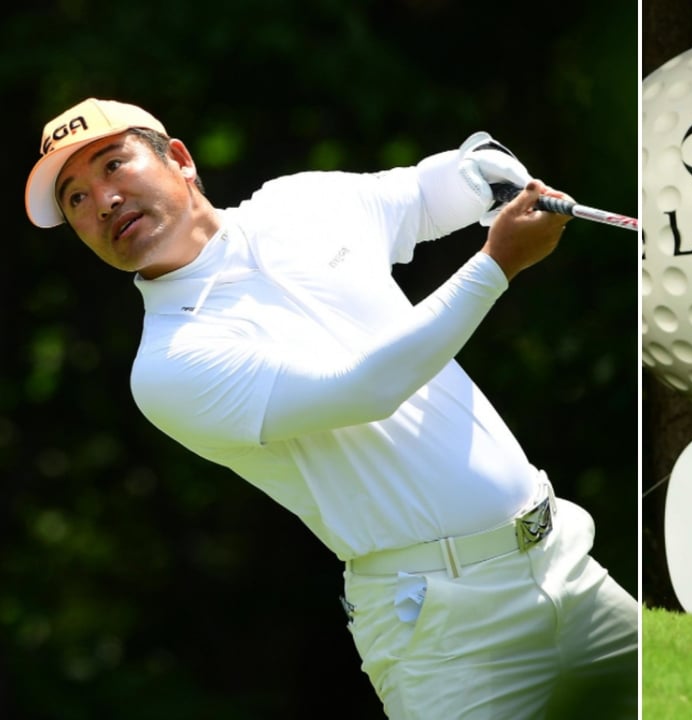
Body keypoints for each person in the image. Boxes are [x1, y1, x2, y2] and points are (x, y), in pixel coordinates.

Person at [24, 97, 637, 718]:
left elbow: (425, 196)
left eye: (112, 166)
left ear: (178, 159)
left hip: (568, 567)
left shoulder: (299, 204)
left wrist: (482, 169)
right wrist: (496, 264)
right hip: (447, 635)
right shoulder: (169, 363)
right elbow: (364, 388)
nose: (102, 201)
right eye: (74, 199)